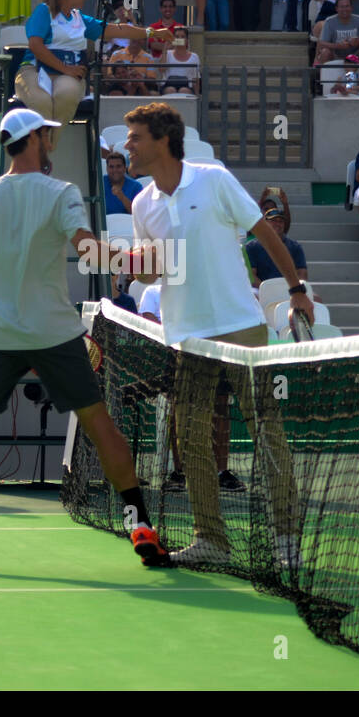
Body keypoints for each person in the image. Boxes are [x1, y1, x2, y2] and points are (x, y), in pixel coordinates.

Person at [0, 108, 171, 569]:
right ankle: (140, 524)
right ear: (33, 140)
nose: (52, 141)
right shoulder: (62, 193)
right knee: (100, 424)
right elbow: (88, 251)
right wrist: (148, 263)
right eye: (48, 135)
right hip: (56, 333)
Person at [122, 101, 308, 567]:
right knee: (191, 439)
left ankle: (287, 537)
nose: (128, 146)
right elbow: (152, 272)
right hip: (187, 335)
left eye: (136, 137)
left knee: (265, 429)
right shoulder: (142, 203)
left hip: (240, 327)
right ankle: (212, 539)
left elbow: (264, 234)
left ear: (163, 140)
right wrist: (130, 265)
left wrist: (296, 290)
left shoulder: (214, 180)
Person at [16, 0, 172, 126]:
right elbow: (36, 46)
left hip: (66, 75)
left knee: (66, 96)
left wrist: (153, 33)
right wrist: (66, 69)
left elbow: (119, 29)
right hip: (35, 70)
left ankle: (47, 147)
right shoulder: (44, 11)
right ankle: (45, 148)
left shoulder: (80, 19)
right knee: (42, 102)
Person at [245, 207, 307, 284]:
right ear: (265, 223)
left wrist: (295, 290)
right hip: (261, 290)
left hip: (290, 289)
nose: (277, 224)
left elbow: (302, 274)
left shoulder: (295, 247)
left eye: (280, 221)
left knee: (315, 296)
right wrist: (268, 291)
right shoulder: (251, 247)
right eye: (273, 221)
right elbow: (251, 276)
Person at [313, 0, 359, 66]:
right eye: (342, 7)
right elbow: (322, 43)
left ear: (351, 8)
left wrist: (358, 43)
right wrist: (337, 46)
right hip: (335, 54)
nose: (344, 9)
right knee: (325, 52)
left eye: (347, 6)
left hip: (355, 54)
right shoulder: (329, 21)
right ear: (336, 9)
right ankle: (324, 76)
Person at [159, 26, 200, 94]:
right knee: (170, 90)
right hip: (168, 85)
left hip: (187, 87)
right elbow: (161, 70)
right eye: (177, 37)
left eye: (182, 37)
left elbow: (196, 78)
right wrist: (165, 49)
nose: (179, 39)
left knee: (183, 91)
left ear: (187, 40)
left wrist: (197, 95)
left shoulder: (194, 56)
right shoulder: (167, 54)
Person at [103, 149, 142, 218]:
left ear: (124, 168)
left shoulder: (136, 186)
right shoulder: (100, 185)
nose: (115, 170)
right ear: (107, 169)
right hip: (105, 228)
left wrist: (121, 197)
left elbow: (138, 215)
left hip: (128, 227)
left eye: (118, 166)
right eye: (111, 167)